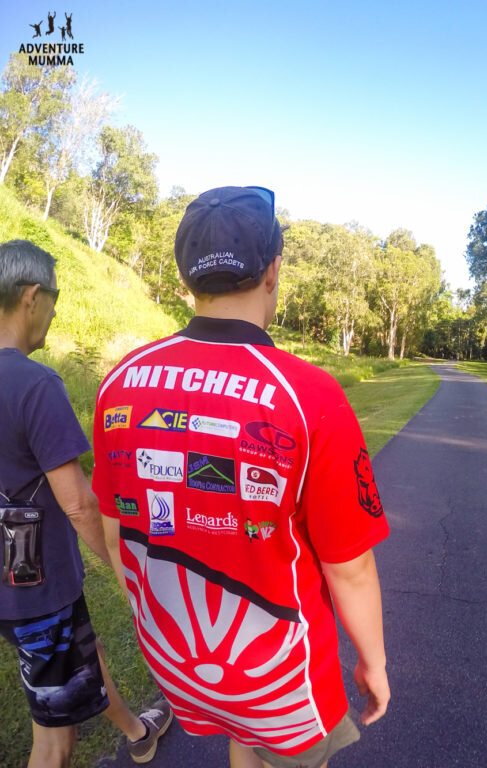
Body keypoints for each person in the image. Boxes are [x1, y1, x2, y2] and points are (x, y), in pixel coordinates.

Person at [92, 186, 391, 768]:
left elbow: (114, 536)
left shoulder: (118, 382)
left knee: (242, 738)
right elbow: (350, 568)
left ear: (187, 279)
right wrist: (373, 661)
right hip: (280, 677)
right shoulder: (310, 397)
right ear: (274, 269)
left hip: (185, 664)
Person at [0, 239, 172, 766]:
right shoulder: (35, 385)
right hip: (31, 588)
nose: (55, 310)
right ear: (32, 297)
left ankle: (138, 734)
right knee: (56, 742)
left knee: (78, 655)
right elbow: (78, 504)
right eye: (54, 297)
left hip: (12, 589)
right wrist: (125, 575)